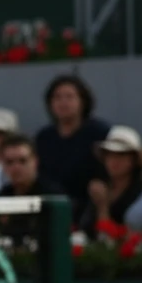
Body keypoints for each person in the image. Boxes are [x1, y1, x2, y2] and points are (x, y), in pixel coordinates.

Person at [34, 73, 112, 210]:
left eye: (69, 97)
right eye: (57, 97)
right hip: (52, 205)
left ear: (82, 101)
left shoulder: (99, 133)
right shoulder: (44, 137)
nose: (63, 103)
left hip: (89, 206)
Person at [85, 126, 142, 237]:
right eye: (109, 155)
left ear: (133, 159)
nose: (114, 161)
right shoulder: (100, 187)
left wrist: (103, 207)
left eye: (121, 155)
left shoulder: (139, 194)